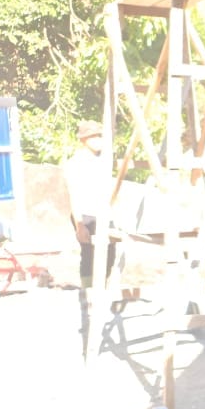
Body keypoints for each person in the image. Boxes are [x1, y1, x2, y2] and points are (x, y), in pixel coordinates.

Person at [63, 120, 117, 289]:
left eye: (100, 136)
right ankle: (87, 290)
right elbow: (73, 194)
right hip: (85, 213)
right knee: (89, 254)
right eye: (93, 136)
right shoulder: (75, 163)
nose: (98, 140)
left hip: (104, 213)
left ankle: (102, 288)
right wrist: (79, 224)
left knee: (110, 253)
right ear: (83, 140)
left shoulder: (104, 159)